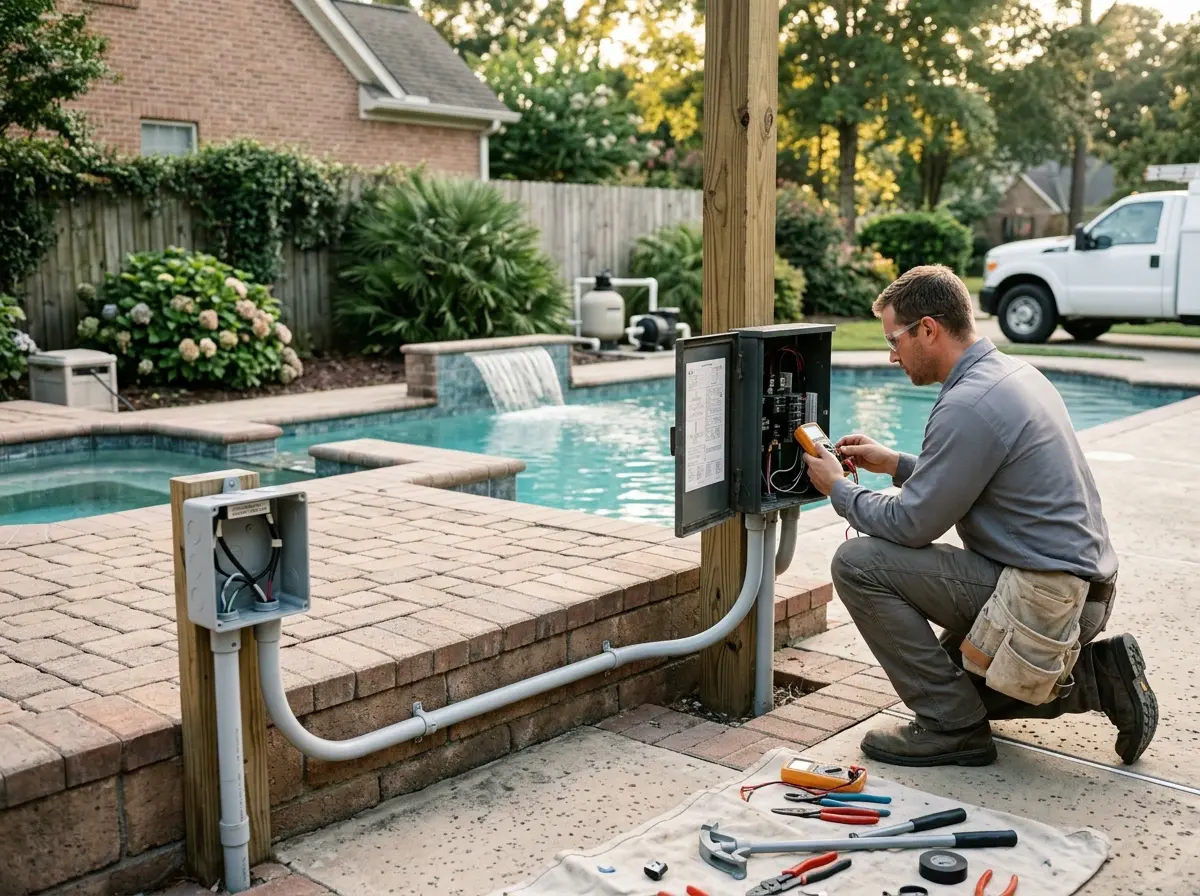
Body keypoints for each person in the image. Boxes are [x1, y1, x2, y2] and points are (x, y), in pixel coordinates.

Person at [801, 264, 1157, 768]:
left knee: (858, 564)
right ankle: (1102, 678)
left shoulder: (968, 404)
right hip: (1077, 589)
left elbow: (911, 525)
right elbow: (977, 477)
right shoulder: (1010, 375)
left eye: (894, 340)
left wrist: (839, 489)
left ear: (928, 329)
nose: (891, 354)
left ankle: (953, 731)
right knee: (960, 684)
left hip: (1049, 601)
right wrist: (896, 464)